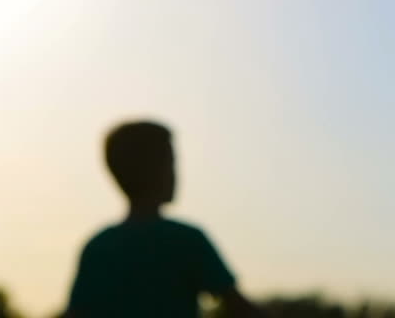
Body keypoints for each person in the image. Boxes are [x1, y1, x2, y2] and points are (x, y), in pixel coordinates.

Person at [64, 120, 263, 318]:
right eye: (171, 163)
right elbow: (238, 306)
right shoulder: (186, 240)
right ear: (154, 170)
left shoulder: (99, 247)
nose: (176, 174)